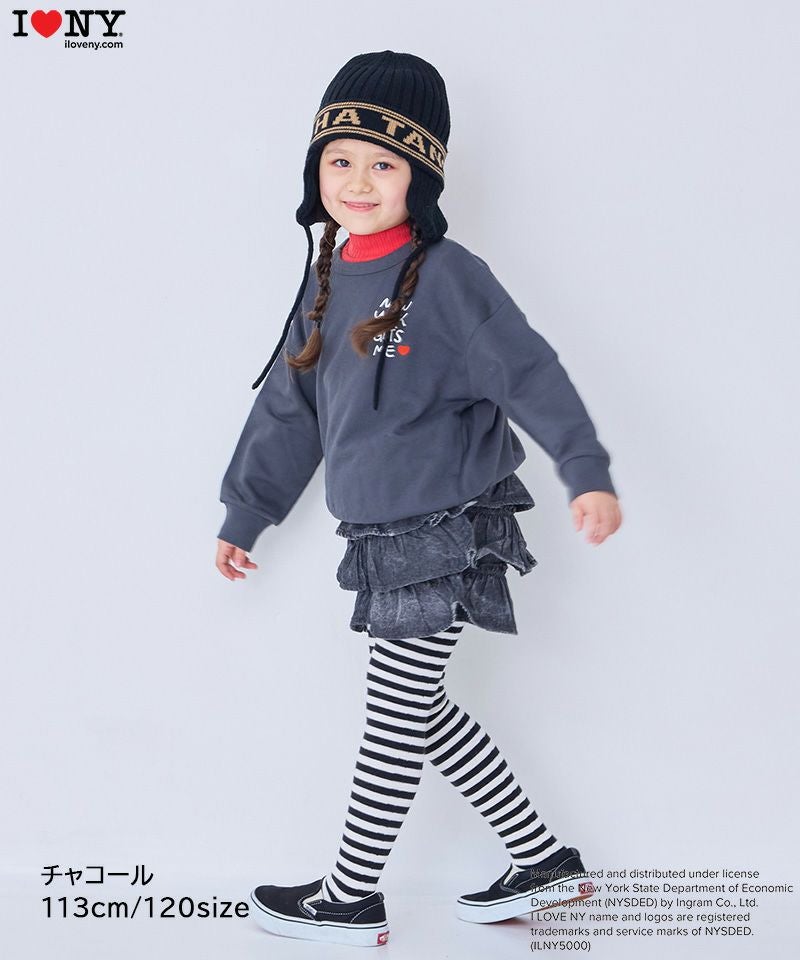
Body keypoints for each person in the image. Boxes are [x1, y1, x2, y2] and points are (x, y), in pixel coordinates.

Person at [215, 50, 622, 948]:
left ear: (422, 177)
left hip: (446, 522)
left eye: (384, 164)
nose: (358, 183)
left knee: (394, 717)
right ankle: (542, 862)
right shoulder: (326, 278)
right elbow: (288, 406)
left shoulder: (448, 276)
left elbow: (527, 369)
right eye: (340, 161)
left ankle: (349, 897)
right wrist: (247, 512)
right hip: (378, 530)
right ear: (316, 170)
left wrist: (584, 468)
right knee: (420, 710)